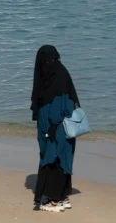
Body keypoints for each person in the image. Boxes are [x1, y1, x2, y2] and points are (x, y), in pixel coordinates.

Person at [31, 45, 80, 212]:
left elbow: (61, 102)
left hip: (56, 125)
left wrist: (52, 124)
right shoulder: (60, 72)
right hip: (63, 125)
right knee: (61, 156)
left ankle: (51, 200)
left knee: (52, 157)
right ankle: (61, 195)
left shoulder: (56, 76)